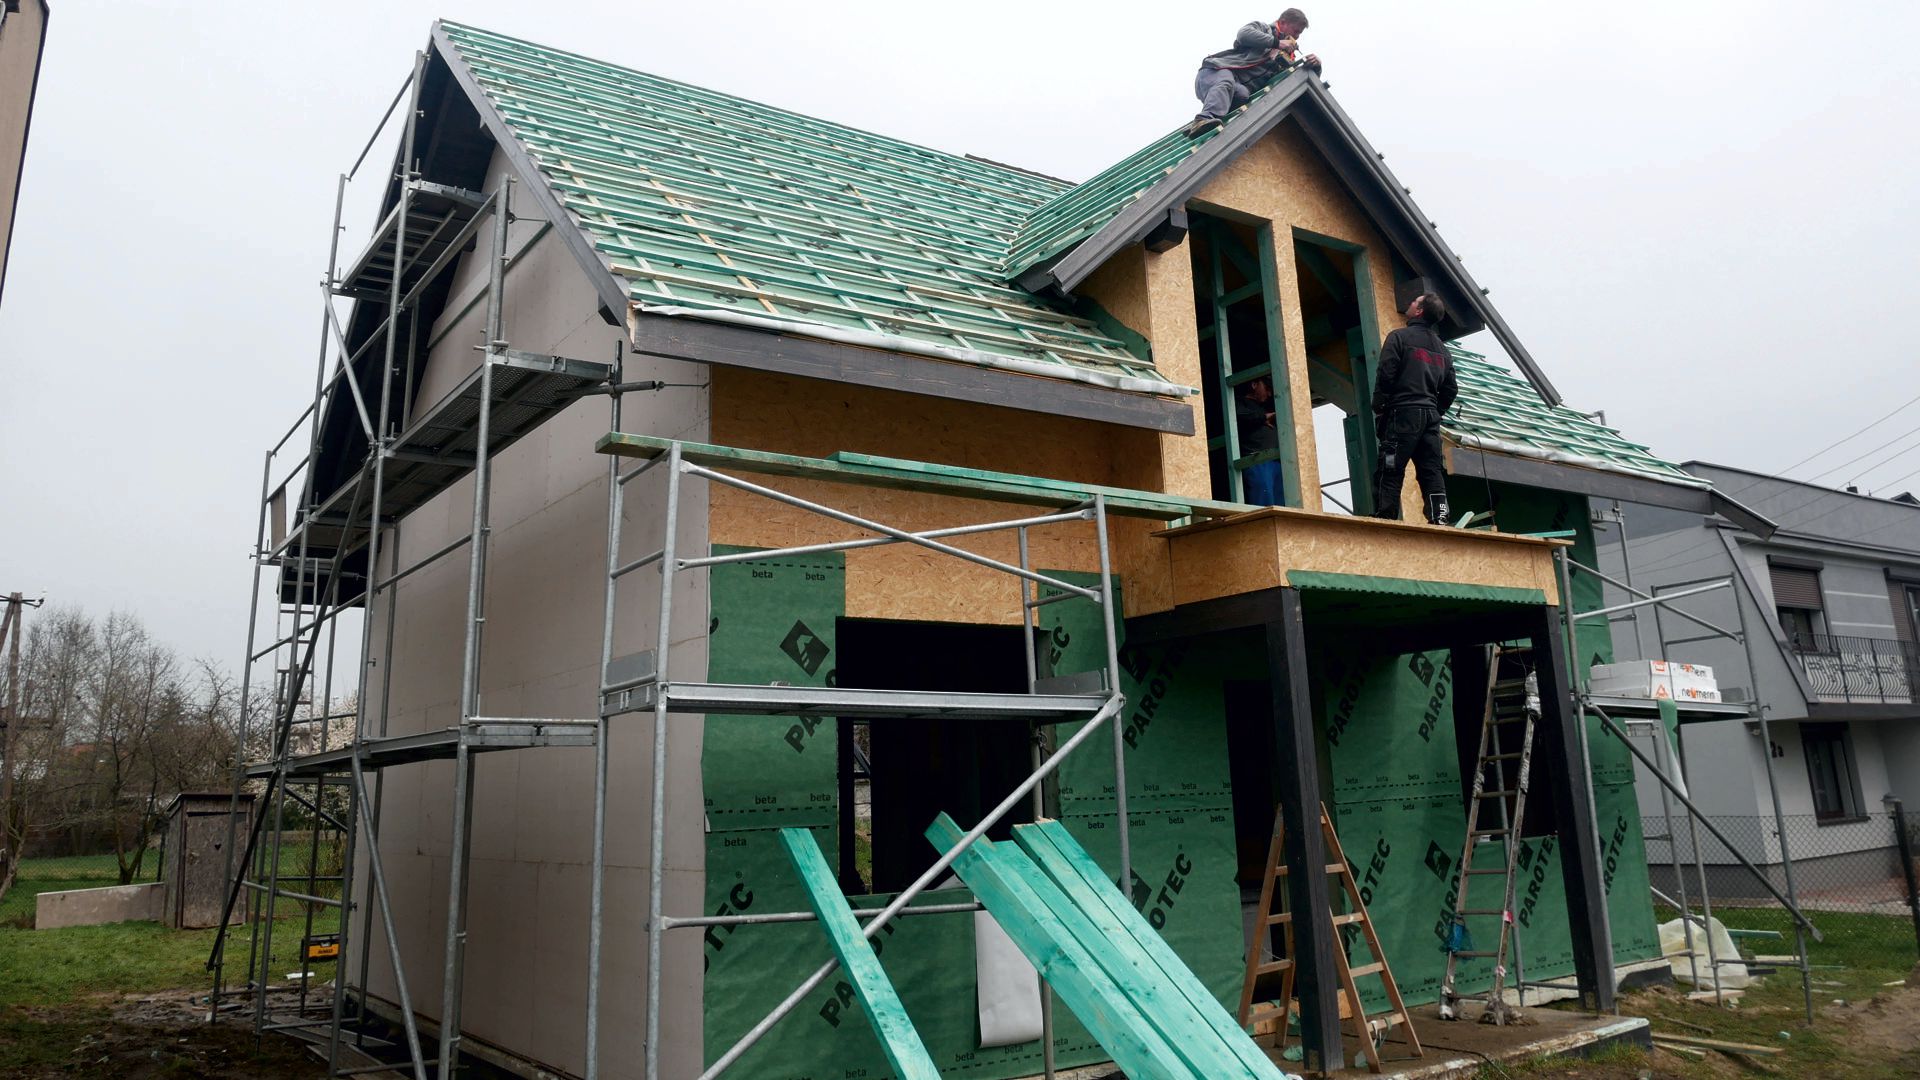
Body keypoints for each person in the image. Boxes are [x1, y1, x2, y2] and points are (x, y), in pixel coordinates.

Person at [1370, 293, 1457, 525]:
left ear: (1419, 311)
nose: (1410, 303)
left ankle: (1385, 519)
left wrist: (1380, 408)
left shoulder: (1399, 337)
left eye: (1414, 302)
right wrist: (1435, 411)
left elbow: (1385, 374)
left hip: (1403, 413)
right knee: (1431, 470)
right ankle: (1440, 517)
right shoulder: (1443, 350)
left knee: (1390, 467)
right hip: (1430, 417)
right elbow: (1451, 389)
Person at [1186, 10, 1320, 139]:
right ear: (1283, 22)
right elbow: (1243, 34)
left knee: (1243, 94)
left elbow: (1294, 80)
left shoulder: (1284, 56)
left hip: (1233, 87)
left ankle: (1201, 125)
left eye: (1299, 34)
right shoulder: (1264, 29)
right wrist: (1277, 43)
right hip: (1215, 71)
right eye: (1296, 31)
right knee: (1226, 82)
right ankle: (1203, 119)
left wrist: (1316, 66)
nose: (1296, 37)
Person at [1236, 376, 1286, 505]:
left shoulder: (1266, 406)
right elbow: (1239, 417)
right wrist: (1263, 418)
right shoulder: (1239, 402)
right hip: (1256, 460)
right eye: (1267, 388)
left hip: (1275, 461)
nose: (1269, 394)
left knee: (1281, 504)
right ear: (1254, 385)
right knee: (1264, 504)